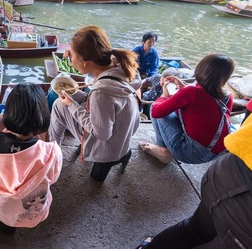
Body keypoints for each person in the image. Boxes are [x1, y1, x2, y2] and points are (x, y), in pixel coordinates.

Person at [136, 111, 252, 249]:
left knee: (192, 231)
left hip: (230, 167)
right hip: (242, 198)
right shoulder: (225, 100)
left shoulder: (192, 93)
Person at [49, 26, 141, 182]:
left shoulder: (100, 93)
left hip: (106, 146)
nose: (70, 59)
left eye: (73, 56)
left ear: (85, 62)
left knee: (59, 104)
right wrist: (74, 54)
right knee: (70, 98)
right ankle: (53, 148)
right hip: (123, 133)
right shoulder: (119, 63)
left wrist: (71, 105)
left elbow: (102, 133)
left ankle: (52, 154)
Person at [0, 83, 63, 235]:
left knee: (5, 215)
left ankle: (6, 229)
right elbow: (53, 178)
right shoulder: (52, 152)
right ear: (43, 115)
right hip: (32, 209)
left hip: (1, 206)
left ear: (8, 114)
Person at [140, 54, 234, 164]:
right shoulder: (228, 95)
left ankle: (163, 151)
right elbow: (204, 108)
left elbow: (157, 112)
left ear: (200, 69)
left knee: (154, 107)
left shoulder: (192, 92)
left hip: (191, 153)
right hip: (217, 152)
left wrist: (164, 95)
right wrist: (184, 89)